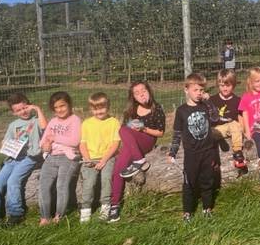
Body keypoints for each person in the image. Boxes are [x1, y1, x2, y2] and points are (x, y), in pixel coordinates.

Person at [109, 81, 165, 223]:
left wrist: (143, 128)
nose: (141, 93)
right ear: (133, 96)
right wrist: (132, 126)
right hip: (132, 144)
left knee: (123, 130)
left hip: (147, 140)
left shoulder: (156, 108)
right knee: (118, 169)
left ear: (149, 91)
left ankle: (140, 160)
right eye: (137, 92)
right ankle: (114, 205)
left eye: (143, 90)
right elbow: (126, 128)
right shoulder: (131, 111)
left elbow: (160, 132)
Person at [0, 93, 47, 225]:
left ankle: (16, 214)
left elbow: (45, 128)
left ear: (29, 105)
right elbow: (7, 141)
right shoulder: (13, 125)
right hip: (12, 158)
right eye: (18, 110)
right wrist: (5, 144)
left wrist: (37, 109)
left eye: (25, 107)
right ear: (14, 112)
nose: (23, 111)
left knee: (13, 181)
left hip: (30, 157)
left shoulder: (36, 121)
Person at [168, 73, 220, 221]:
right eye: (195, 90)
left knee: (207, 180)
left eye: (201, 90)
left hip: (208, 151)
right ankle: (187, 211)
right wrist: (173, 152)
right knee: (189, 181)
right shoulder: (181, 111)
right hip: (191, 154)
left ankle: (207, 208)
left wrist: (209, 102)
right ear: (186, 89)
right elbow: (177, 134)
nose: (199, 93)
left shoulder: (205, 107)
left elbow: (215, 118)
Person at [38, 91, 81, 225]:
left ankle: (59, 215)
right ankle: (45, 216)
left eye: (62, 106)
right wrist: (46, 145)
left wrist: (55, 138)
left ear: (69, 105)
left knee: (61, 185)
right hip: (51, 157)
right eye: (56, 108)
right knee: (43, 186)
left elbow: (74, 141)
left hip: (67, 157)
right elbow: (43, 142)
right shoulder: (52, 121)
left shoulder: (75, 120)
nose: (59, 110)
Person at [78, 92, 121, 222]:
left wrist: (104, 160)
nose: (99, 111)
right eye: (95, 109)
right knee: (89, 182)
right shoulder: (86, 123)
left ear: (108, 106)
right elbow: (82, 143)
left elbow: (115, 143)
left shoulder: (113, 122)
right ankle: (85, 209)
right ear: (91, 109)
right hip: (90, 157)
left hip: (107, 157)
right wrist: (86, 158)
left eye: (102, 108)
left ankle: (105, 206)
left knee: (107, 178)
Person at [210, 69, 248, 176]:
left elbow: (240, 116)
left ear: (234, 85)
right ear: (218, 85)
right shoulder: (212, 100)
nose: (225, 88)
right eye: (222, 85)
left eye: (228, 85)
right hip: (217, 129)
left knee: (235, 125)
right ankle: (211, 159)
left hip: (231, 128)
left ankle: (238, 154)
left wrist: (244, 130)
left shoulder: (237, 100)